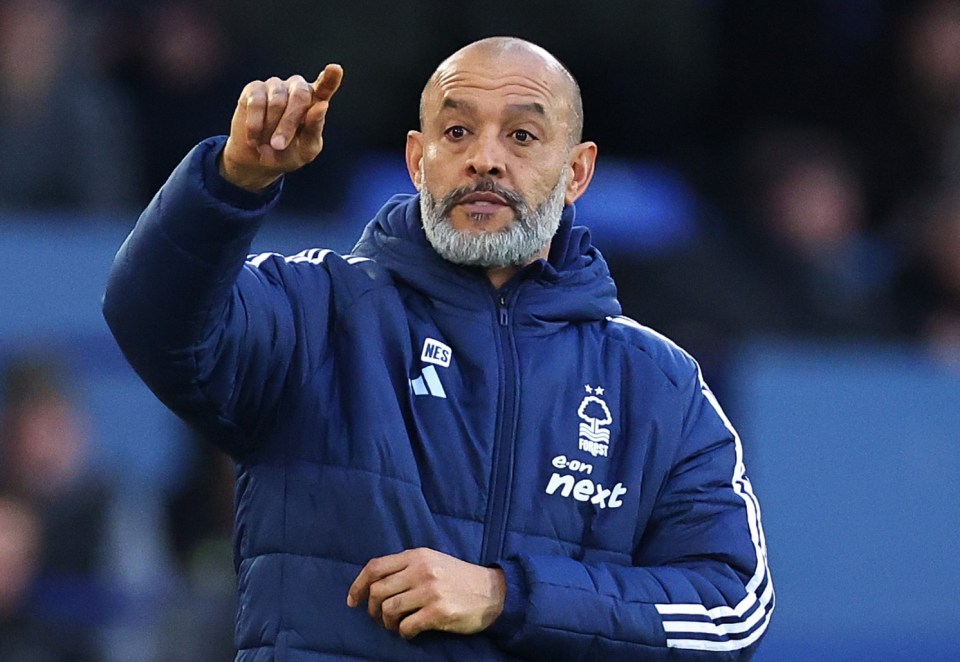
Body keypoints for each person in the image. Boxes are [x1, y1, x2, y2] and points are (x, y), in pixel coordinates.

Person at [103, 37, 773, 660]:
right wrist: (230, 183)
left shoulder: (657, 386)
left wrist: (507, 595)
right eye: (458, 131)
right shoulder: (315, 310)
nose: (484, 157)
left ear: (576, 172)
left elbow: (731, 607)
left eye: (522, 134)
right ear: (418, 160)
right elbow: (150, 320)